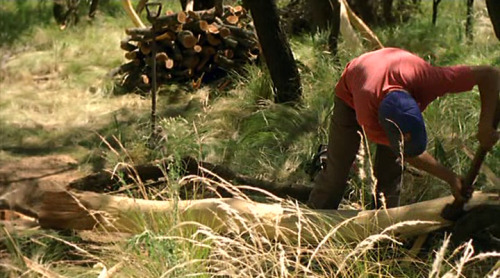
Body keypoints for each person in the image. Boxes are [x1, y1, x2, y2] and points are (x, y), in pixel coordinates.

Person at [307, 47, 500, 210]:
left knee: (389, 177)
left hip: (391, 71)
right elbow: (407, 154)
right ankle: (313, 219)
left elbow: (490, 75)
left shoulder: (430, 79)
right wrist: (450, 177)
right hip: (351, 92)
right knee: (336, 173)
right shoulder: (368, 114)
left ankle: (386, 233)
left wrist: (484, 124)